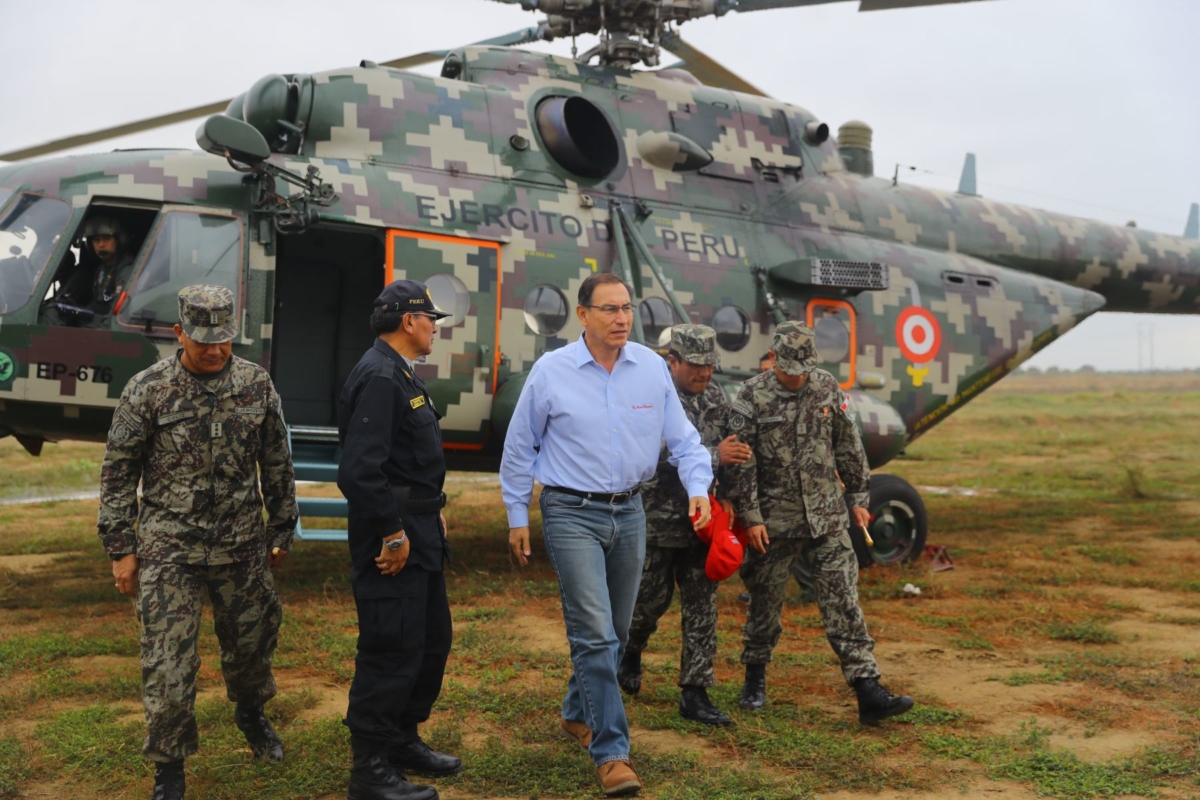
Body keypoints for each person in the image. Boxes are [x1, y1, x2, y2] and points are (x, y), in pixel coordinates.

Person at [502, 273, 714, 798]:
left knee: (615, 633)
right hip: (570, 511)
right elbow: (519, 446)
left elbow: (686, 441)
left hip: (631, 511)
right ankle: (612, 752)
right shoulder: (551, 372)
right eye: (610, 309)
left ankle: (577, 711)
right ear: (583, 315)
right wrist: (515, 514)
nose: (622, 319)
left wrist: (699, 487)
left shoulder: (650, 370)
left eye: (627, 309)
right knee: (594, 634)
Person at [97, 285, 298, 800]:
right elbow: (119, 473)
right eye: (203, 340)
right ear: (179, 333)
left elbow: (276, 460)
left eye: (224, 339)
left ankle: (251, 714)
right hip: (170, 549)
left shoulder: (256, 384)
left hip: (242, 545)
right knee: (168, 663)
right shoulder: (148, 389)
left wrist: (281, 526)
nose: (214, 350)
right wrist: (122, 548)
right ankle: (169, 766)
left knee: (252, 651)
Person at [726, 321, 913, 725]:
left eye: (803, 369)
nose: (797, 377)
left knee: (843, 602)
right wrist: (751, 516)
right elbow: (742, 464)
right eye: (790, 369)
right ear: (774, 358)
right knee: (764, 604)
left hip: (827, 517)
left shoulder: (826, 386)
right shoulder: (750, 395)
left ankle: (867, 688)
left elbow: (848, 443)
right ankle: (754, 677)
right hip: (774, 523)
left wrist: (860, 498)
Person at [337, 279, 459, 800]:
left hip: (420, 531)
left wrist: (431, 512)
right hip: (395, 539)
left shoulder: (400, 373)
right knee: (391, 647)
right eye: (430, 319)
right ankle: (369, 768)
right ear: (408, 322)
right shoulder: (382, 377)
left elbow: (407, 463)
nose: (435, 328)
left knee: (429, 643)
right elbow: (361, 472)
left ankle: (402, 738)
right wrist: (392, 531)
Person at [617, 324, 751, 727]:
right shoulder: (648, 394)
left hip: (701, 524)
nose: (704, 374)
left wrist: (728, 492)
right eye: (695, 365)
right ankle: (631, 652)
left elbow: (733, 450)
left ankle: (695, 692)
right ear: (671, 360)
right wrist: (714, 455)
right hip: (656, 522)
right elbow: (648, 455)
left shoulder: (714, 397)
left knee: (701, 607)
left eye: (710, 366)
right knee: (647, 605)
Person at [41, 215, 136, 328]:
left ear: (119, 240)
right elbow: (97, 304)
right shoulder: (102, 269)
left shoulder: (127, 269)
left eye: (106, 239)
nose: (101, 245)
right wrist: (75, 309)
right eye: (96, 240)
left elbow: (120, 313)